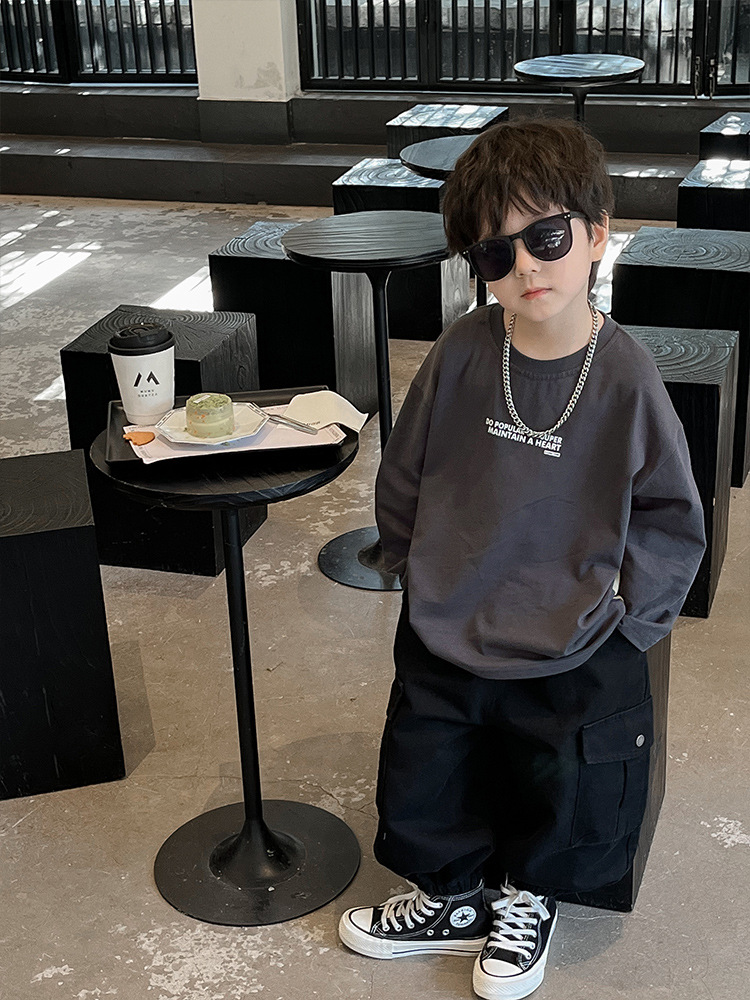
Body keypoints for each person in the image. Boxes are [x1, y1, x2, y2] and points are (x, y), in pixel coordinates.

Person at [337, 116, 707, 1000]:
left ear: (597, 234)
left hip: (571, 632)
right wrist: (409, 565)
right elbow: (406, 468)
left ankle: (528, 898)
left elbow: (670, 512)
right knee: (427, 769)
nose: (526, 269)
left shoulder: (627, 376)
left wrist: (635, 622)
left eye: (545, 238)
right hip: (450, 615)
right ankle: (451, 896)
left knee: (559, 782)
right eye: (495, 254)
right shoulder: (463, 350)